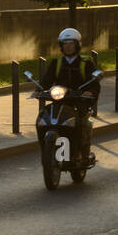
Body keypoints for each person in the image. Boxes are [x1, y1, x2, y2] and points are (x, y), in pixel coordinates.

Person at [39, 28, 101, 158]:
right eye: (65, 43)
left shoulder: (86, 62)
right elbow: (47, 79)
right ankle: (46, 151)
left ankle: (78, 152)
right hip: (60, 100)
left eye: (71, 43)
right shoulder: (56, 62)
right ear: (61, 45)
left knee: (78, 122)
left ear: (77, 45)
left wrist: (90, 92)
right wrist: (39, 90)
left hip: (79, 100)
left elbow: (94, 83)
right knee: (42, 119)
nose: (68, 47)